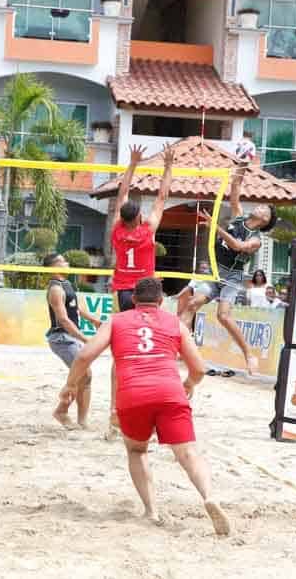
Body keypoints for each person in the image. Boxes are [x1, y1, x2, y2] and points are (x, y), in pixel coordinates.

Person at [59, 277, 231, 536]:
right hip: (169, 391)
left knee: (137, 451)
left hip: (132, 394)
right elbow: (199, 368)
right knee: (187, 454)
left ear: (134, 300)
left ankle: (151, 511)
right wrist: (188, 385)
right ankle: (208, 496)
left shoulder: (116, 321)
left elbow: (84, 355)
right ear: (161, 302)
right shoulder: (174, 323)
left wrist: (71, 385)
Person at [180, 162, 278, 375]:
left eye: (265, 210)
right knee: (192, 304)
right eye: (262, 206)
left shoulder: (256, 239)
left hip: (232, 277)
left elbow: (237, 246)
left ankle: (248, 354)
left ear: (264, 221)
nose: (260, 207)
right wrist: (241, 169)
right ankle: (181, 348)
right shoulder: (240, 217)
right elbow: (234, 191)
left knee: (223, 316)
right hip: (216, 271)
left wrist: (215, 227)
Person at [106, 144, 175, 436]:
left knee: (121, 352)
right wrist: (168, 165)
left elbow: (122, 194)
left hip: (124, 292)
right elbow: (162, 196)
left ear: (122, 217)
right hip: (146, 292)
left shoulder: (117, 231)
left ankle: (114, 408)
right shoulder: (147, 231)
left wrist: (132, 164)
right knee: (154, 348)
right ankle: (153, 399)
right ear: (139, 218)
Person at [44, 253, 103, 429]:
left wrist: (94, 320)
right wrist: (85, 338)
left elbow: (75, 308)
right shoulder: (55, 289)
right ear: (54, 267)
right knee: (83, 375)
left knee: (84, 376)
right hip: (61, 338)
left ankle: (81, 420)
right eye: (63, 261)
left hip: (69, 337)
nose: (67, 263)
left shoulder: (66, 284)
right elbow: (63, 319)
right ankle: (62, 412)